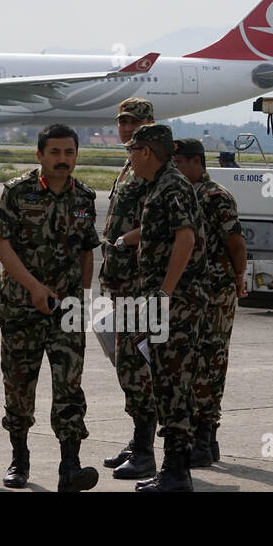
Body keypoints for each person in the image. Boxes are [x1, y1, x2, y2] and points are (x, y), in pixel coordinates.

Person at [0, 123, 100, 491]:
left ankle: (70, 466)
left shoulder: (84, 197)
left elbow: (87, 250)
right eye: (55, 152)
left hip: (67, 310)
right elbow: (2, 246)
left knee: (70, 386)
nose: (62, 159)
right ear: (39, 155)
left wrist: (82, 296)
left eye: (69, 152)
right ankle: (19, 459)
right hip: (21, 307)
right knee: (19, 386)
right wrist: (35, 288)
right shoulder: (17, 192)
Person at [125, 123, 209, 492]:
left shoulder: (172, 186)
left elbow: (185, 239)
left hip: (177, 305)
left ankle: (176, 474)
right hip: (168, 301)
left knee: (174, 385)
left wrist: (164, 294)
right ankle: (174, 471)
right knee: (166, 382)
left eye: (132, 151)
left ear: (145, 152)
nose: (129, 158)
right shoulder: (161, 185)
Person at [172, 138, 248, 467]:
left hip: (216, 293)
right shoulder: (177, 195)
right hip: (188, 293)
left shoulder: (215, 196)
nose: (172, 168)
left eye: (177, 162)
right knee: (187, 362)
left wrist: (238, 278)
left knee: (211, 362)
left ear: (193, 162)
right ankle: (197, 437)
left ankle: (205, 435)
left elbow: (236, 242)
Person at [99, 97, 157, 479]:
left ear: (150, 124)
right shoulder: (128, 165)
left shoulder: (153, 169)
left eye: (134, 122)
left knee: (139, 367)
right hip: (120, 281)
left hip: (140, 283)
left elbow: (160, 223)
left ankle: (147, 452)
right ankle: (138, 442)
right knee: (126, 364)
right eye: (122, 122)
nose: (126, 128)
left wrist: (123, 242)